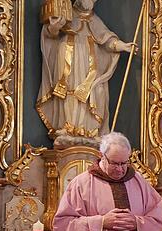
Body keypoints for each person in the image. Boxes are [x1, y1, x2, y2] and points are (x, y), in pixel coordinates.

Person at [37, 0, 136, 139]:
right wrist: (54, 26)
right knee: (68, 90)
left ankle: (88, 130)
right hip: (67, 55)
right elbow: (50, 34)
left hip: (90, 61)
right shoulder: (66, 13)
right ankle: (68, 127)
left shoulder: (94, 19)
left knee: (92, 91)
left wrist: (123, 46)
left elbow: (107, 39)